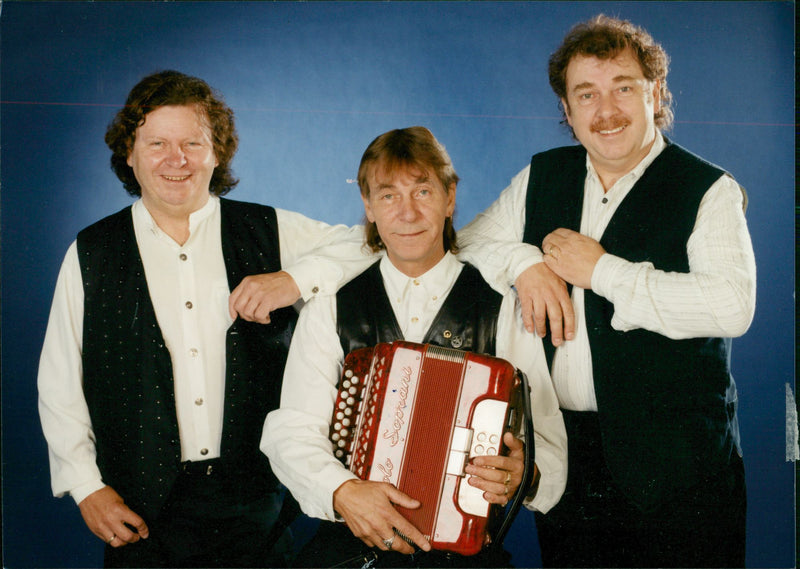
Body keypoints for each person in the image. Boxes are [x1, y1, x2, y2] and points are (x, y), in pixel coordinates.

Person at [37, 70, 375, 568]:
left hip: (257, 509)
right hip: (140, 513)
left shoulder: (269, 229)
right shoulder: (92, 252)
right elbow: (59, 383)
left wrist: (294, 280)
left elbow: (367, 243)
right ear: (129, 153)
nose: (177, 160)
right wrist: (87, 487)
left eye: (193, 143)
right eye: (157, 143)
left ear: (217, 152)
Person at [458, 15, 756, 568]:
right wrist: (524, 263)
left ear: (656, 92)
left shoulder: (709, 189)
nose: (607, 110)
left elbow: (732, 305)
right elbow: (467, 243)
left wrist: (603, 273)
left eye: (624, 87)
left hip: (682, 472)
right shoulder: (543, 175)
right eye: (586, 94)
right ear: (567, 112)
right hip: (568, 462)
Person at [261, 126, 567, 568]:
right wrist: (341, 490)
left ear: (450, 197)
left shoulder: (502, 307)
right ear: (368, 205)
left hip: (462, 555)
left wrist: (526, 475)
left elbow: (547, 441)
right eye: (388, 196)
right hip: (353, 548)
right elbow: (292, 431)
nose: (407, 213)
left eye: (422, 191)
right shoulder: (329, 306)